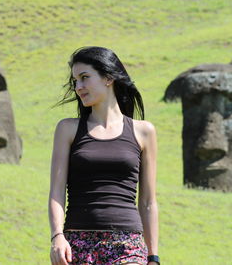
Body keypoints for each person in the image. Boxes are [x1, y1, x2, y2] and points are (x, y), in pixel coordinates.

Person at [49, 46, 159, 265]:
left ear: (108, 78)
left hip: (128, 244)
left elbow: (147, 202)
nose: (78, 87)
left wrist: (153, 257)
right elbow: (56, 193)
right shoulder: (67, 129)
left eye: (84, 78)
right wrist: (57, 236)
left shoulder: (144, 131)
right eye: (75, 81)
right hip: (77, 243)